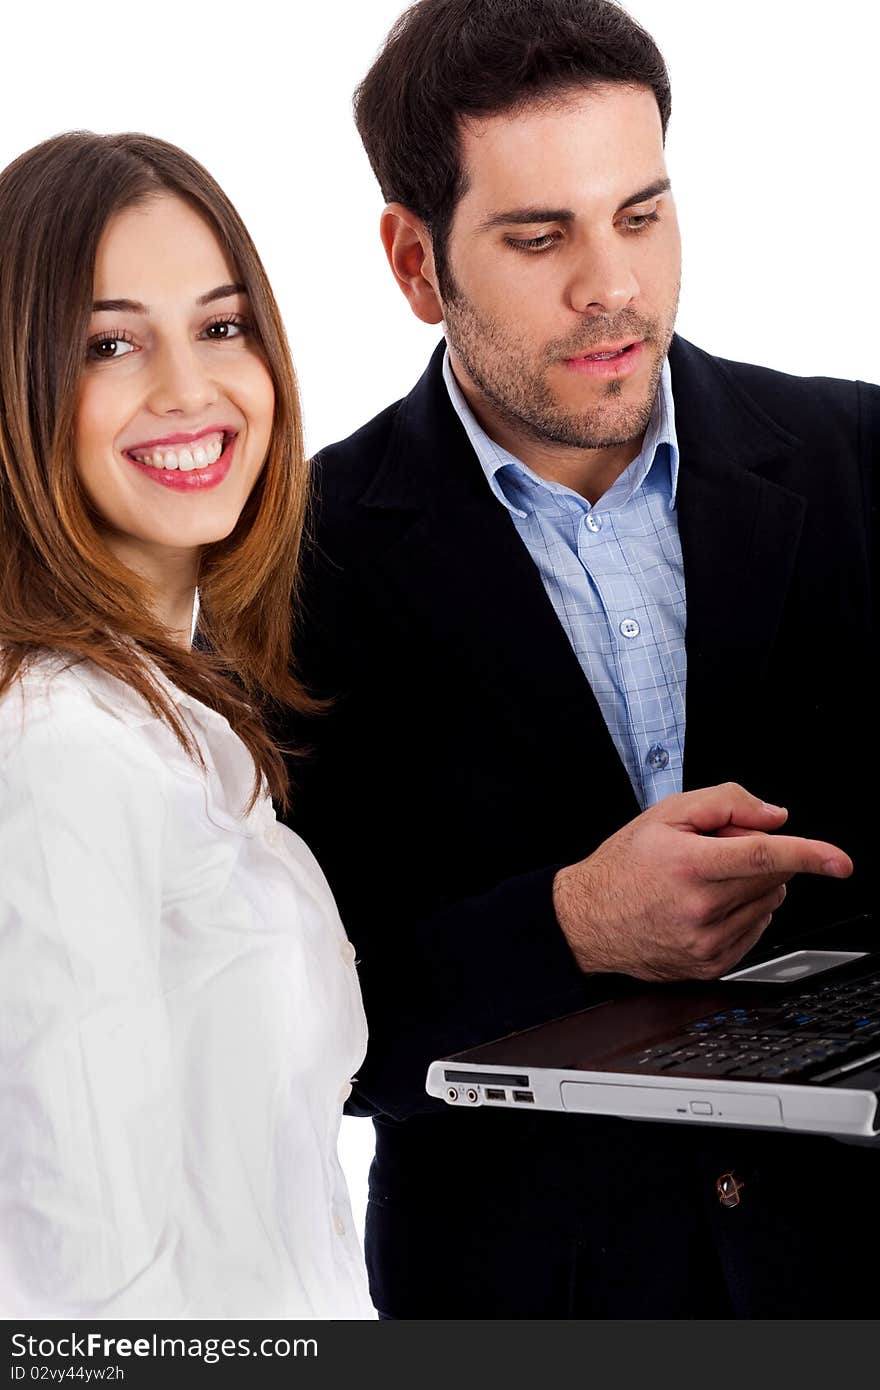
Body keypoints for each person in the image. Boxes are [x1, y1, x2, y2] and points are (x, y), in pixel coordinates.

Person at [284, 0, 877, 1319]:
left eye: (641, 214)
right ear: (415, 264)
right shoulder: (290, 561)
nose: (612, 282)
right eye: (541, 235)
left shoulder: (861, 461)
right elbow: (287, 1033)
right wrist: (569, 924)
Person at [0, 131, 373, 1319]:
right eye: (111, 344)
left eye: (221, 327)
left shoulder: (176, 719)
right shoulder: (60, 749)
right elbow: (87, 1295)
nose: (189, 389)